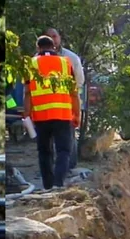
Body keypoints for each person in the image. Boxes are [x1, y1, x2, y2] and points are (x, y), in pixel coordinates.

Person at [23, 35, 81, 190]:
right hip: (63, 114)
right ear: (54, 47)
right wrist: (77, 114)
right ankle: (58, 184)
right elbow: (74, 92)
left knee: (44, 152)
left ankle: (47, 186)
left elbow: (27, 92)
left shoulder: (30, 64)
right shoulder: (65, 62)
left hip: (41, 116)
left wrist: (27, 114)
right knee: (63, 151)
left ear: (38, 48)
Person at [44, 27, 84, 170]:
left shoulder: (71, 57)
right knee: (49, 139)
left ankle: (70, 167)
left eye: (54, 36)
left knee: (68, 138)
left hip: (66, 105)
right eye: (49, 37)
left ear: (60, 37)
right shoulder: (36, 59)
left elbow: (79, 81)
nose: (52, 40)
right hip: (45, 107)